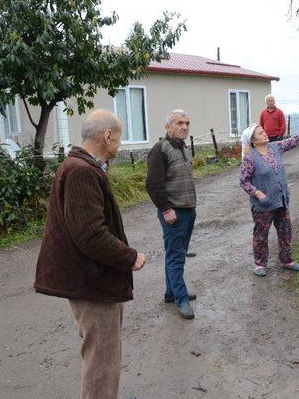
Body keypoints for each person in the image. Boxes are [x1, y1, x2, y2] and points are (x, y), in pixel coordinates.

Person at [34, 109, 146, 399]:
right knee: (102, 359)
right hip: (92, 283)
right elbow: (91, 235)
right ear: (107, 136)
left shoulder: (77, 165)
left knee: (102, 355)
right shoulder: (82, 171)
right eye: (118, 138)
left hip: (90, 278)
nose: (119, 145)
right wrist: (129, 256)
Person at [239, 123, 299, 276]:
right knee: (261, 235)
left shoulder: (275, 147)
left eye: (263, 130)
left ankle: (287, 260)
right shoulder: (250, 158)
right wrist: (258, 193)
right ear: (253, 141)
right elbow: (243, 181)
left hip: (281, 200)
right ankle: (260, 264)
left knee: (285, 231)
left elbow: (293, 141)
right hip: (263, 205)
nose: (264, 133)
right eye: (260, 133)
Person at [145, 109, 197, 319]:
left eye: (187, 123)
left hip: (188, 210)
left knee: (176, 253)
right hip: (174, 213)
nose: (184, 127)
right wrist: (166, 209)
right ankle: (181, 299)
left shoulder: (183, 147)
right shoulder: (160, 149)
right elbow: (152, 184)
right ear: (168, 127)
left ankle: (171, 292)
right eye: (179, 123)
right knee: (176, 257)